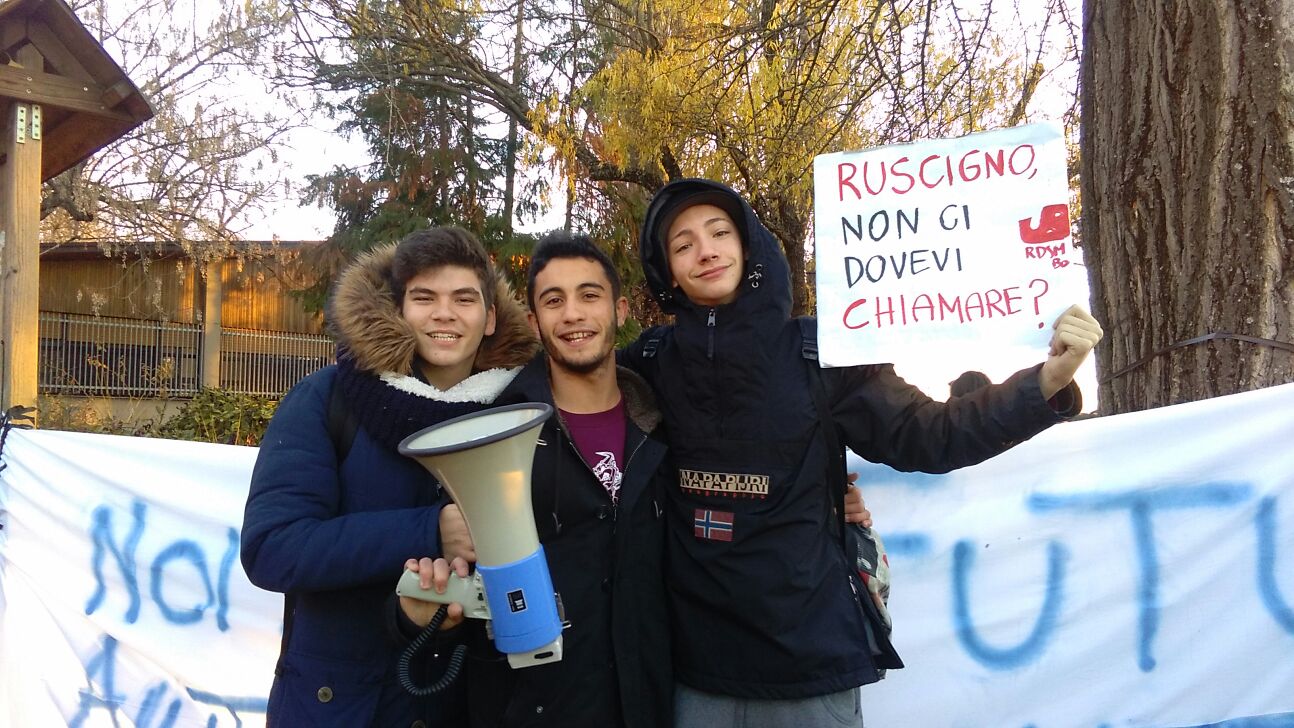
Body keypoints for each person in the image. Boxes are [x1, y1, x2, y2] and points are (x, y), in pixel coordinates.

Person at [620, 178, 1104, 728]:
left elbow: (932, 433)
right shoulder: (650, 363)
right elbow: (574, 410)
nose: (704, 250)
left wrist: (1044, 384)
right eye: (682, 244)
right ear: (667, 271)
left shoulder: (824, 352)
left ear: (748, 244)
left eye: (719, 233)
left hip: (812, 666)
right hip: (695, 673)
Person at [240, 227, 538, 727]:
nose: (444, 313)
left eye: (464, 299)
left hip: (462, 703)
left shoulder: (519, 413)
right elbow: (273, 547)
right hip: (337, 705)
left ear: (490, 319)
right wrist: (429, 531)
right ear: (399, 310)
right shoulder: (328, 399)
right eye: (425, 297)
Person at [400, 231, 676, 727]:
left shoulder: (663, 424)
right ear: (534, 320)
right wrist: (426, 620)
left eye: (589, 295)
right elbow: (450, 583)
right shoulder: (489, 432)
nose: (572, 314)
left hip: (642, 707)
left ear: (621, 310)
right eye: (554, 300)